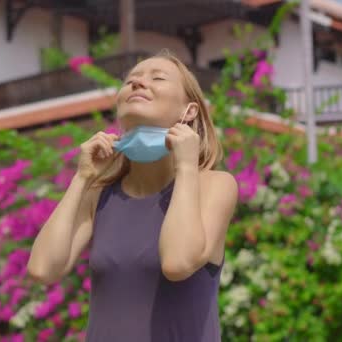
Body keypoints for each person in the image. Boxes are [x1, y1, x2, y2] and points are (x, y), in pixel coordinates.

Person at [27, 49, 239, 341]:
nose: (138, 84)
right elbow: (42, 269)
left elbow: (177, 263)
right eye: (131, 81)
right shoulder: (99, 194)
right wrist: (82, 178)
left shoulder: (215, 185)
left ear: (188, 111)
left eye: (158, 78)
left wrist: (187, 166)